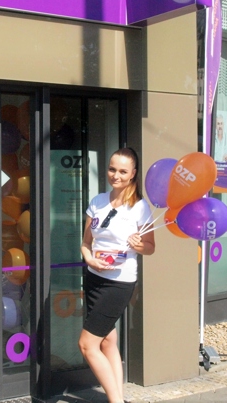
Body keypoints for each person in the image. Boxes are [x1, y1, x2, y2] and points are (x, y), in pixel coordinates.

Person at [79, 147, 154, 403]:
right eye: (112, 169)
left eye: (123, 171)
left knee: (87, 345)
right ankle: (120, 397)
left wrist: (138, 245)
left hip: (119, 284)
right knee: (107, 342)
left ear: (133, 174)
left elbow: (150, 247)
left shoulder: (140, 208)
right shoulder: (97, 202)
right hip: (94, 279)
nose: (116, 175)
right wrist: (90, 259)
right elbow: (86, 243)